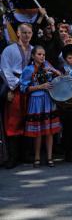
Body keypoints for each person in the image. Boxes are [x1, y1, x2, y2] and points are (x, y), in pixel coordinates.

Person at [20, 45, 62, 167]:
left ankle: (49, 157)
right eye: (39, 54)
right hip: (36, 101)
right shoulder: (29, 69)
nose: (42, 56)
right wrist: (40, 86)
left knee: (49, 131)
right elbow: (23, 88)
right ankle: (37, 157)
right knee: (38, 132)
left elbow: (60, 77)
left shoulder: (47, 65)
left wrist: (53, 71)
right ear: (33, 56)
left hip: (49, 100)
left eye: (43, 54)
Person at [1, 23, 33, 168]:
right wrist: (13, 86)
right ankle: (12, 157)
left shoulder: (33, 50)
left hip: (30, 88)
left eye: (29, 33)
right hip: (15, 88)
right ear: (18, 34)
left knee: (28, 120)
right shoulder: (9, 50)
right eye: (24, 33)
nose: (27, 35)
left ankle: (25, 155)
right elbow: (4, 70)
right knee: (13, 121)